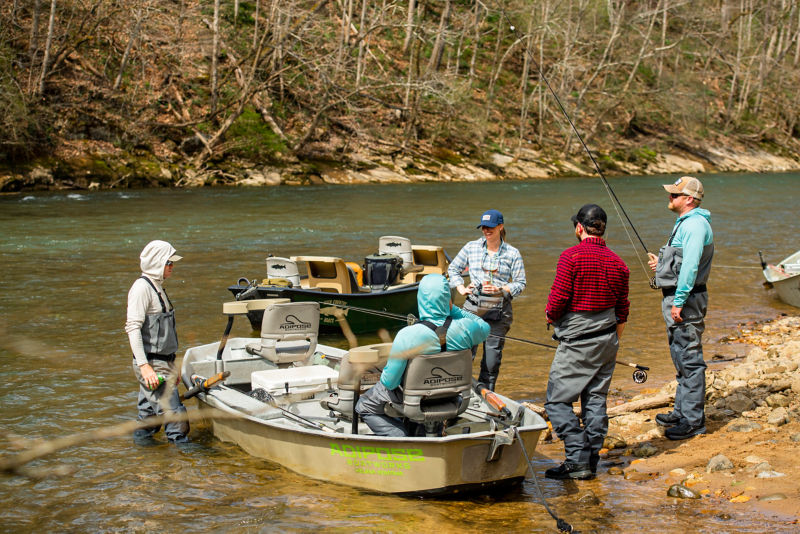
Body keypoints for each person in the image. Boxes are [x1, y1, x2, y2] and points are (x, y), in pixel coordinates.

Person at [544, 204, 630, 480]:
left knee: (556, 402)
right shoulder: (620, 263)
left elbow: (557, 299)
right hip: (608, 339)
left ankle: (577, 457)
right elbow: (622, 309)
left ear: (579, 227)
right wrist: (614, 342)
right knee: (595, 399)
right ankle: (590, 460)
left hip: (577, 341)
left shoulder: (570, 257)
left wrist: (549, 316)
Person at [355, 274, 490, 437]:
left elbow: (390, 383)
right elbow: (484, 326)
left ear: (421, 299)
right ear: (448, 298)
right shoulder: (467, 328)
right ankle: (422, 432)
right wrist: (453, 309)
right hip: (451, 397)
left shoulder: (407, 334)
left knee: (364, 405)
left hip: (415, 401)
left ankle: (400, 439)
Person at [647, 176, 713, 441]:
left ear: (689, 199)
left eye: (675, 194)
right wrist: (661, 264)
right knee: (680, 357)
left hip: (686, 301)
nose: (670, 197)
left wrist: (679, 300)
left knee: (690, 359)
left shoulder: (695, 225)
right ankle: (682, 411)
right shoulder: (686, 223)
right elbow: (680, 261)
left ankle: (694, 421)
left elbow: (691, 266)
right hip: (679, 298)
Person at [447, 209, 526, 391]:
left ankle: (488, 396)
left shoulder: (513, 253)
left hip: (499, 312)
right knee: (463, 355)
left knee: (491, 362)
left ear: (500, 226)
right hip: (472, 309)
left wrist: (502, 288)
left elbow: (521, 283)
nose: (486, 230)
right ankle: (459, 393)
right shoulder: (470, 247)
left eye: (490, 227)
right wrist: (461, 288)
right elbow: (453, 269)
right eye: (483, 227)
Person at [125, 240, 190, 444]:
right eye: (168, 263)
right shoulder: (141, 288)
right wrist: (145, 367)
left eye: (172, 263)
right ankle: (183, 463)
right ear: (156, 263)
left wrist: (173, 365)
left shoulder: (157, 286)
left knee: (148, 418)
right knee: (176, 416)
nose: (172, 267)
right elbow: (133, 328)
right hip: (153, 364)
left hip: (163, 362)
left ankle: (145, 464)